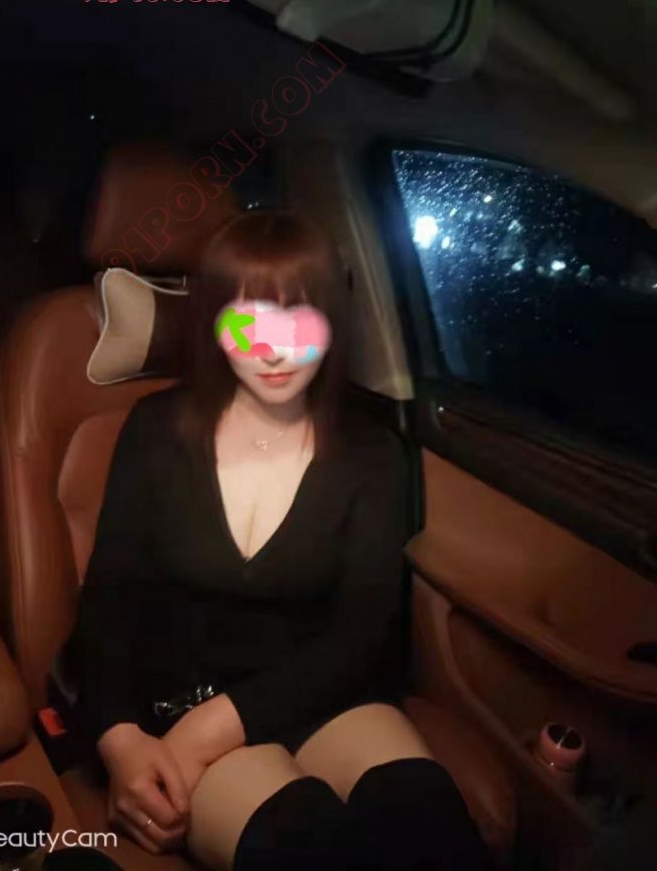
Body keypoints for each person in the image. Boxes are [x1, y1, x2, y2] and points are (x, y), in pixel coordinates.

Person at [67, 210, 491, 869]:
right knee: (303, 842)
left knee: (425, 821)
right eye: (248, 321)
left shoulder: (375, 453)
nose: (273, 349)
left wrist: (214, 729)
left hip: (325, 694)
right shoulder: (154, 431)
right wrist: (120, 741)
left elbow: (361, 634)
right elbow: (108, 604)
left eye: (298, 320)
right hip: (182, 698)